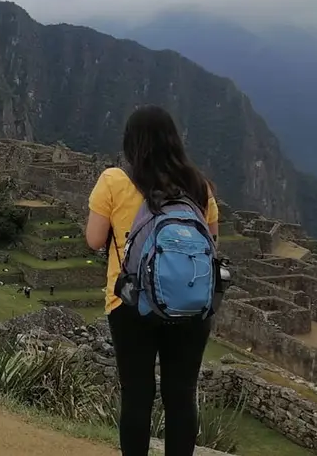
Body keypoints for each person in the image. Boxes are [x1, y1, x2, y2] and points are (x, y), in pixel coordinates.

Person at [85, 105, 219, 456]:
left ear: (132, 143)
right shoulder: (199, 186)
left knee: (137, 394)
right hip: (190, 304)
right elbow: (211, 242)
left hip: (131, 302)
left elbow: (94, 240)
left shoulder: (114, 180)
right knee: (182, 395)